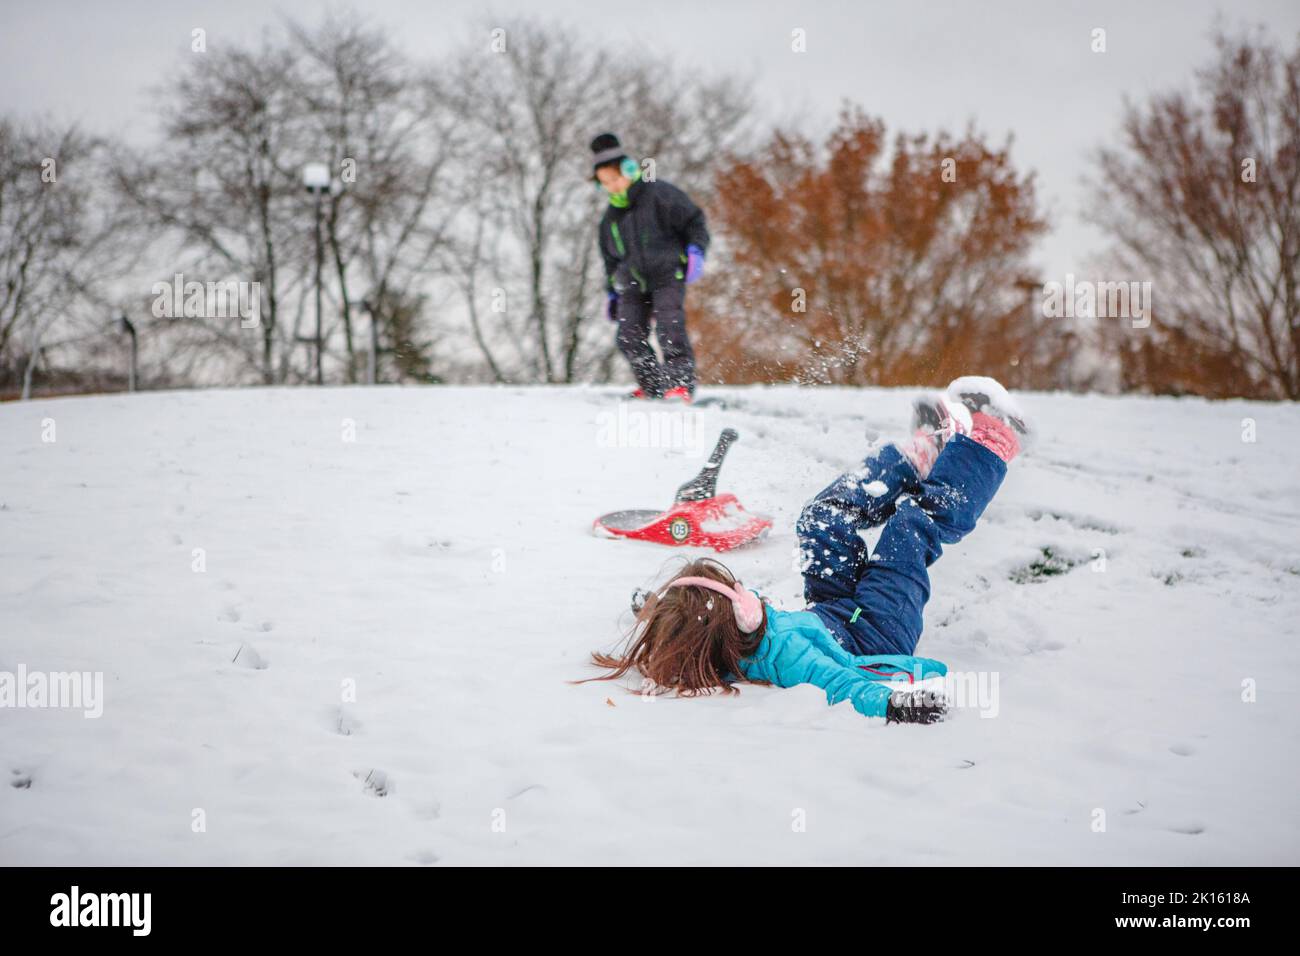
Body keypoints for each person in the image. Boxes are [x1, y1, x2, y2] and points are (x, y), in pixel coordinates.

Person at [578, 376, 1033, 724]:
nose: (745, 589)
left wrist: (660, 613)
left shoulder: (727, 632)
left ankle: (918, 458)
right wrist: (895, 704)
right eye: (738, 591)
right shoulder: (789, 654)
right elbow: (840, 684)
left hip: (833, 613)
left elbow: (688, 627)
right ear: (741, 618)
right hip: (878, 629)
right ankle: (989, 447)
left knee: (820, 521)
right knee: (909, 530)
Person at [590, 132, 709, 402]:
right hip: (631, 282)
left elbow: (694, 221)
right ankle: (653, 386)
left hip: (667, 273)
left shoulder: (659, 194)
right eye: (605, 183)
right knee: (628, 335)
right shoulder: (609, 220)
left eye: (616, 178)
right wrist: (611, 291)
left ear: (629, 170)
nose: (613, 186)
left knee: (670, 326)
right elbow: (609, 259)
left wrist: (696, 250)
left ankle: (679, 385)